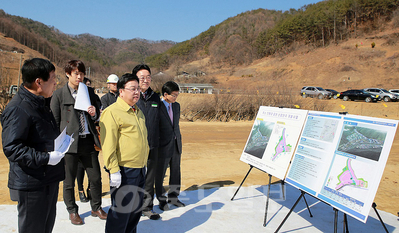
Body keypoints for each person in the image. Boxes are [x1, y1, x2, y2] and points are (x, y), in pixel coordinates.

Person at [1, 58, 65, 233]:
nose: (55, 82)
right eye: (52, 78)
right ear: (39, 82)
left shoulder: (39, 102)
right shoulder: (19, 108)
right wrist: (46, 158)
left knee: (45, 227)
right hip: (32, 182)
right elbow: (12, 148)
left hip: (46, 178)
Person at [50, 60, 107, 225]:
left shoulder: (89, 92)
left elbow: (97, 115)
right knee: (69, 181)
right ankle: (72, 211)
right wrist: (58, 144)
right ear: (68, 74)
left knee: (95, 178)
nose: (79, 77)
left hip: (88, 141)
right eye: (76, 73)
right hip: (69, 144)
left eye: (82, 73)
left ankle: (96, 207)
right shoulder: (59, 94)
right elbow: (54, 121)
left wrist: (94, 113)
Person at [100, 73, 149, 233]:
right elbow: (108, 145)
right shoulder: (112, 112)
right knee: (121, 213)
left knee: (135, 212)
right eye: (132, 89)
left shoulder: (137, 111)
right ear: (121, 91)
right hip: (124, 171)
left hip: (140, 169)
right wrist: (114, 170)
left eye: (138, 89)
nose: (137, 92)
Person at [133, 64, 161, 220]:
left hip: (152, 144)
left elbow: (160, 121)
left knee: (150, 178)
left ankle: (147, 207)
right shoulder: (131, 96)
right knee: (134, 177)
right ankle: (133, 207)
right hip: (135, 146)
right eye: (142, 77)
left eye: (148, 77)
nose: (145, 80)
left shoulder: (155, 97)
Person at [155, 81, 184, 211]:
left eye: (177, 95)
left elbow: (175, 126)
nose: (175, 98)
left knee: (176, 172)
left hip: (176, 143)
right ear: (165, 94)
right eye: (174, 95)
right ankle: (161, 200)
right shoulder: (157, 106)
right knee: (160, 173)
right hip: (162, 145)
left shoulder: (176, 106)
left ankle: (174, 197)